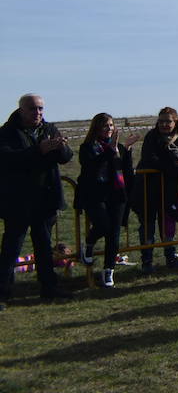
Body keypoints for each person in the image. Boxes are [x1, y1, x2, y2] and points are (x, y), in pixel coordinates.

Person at [0, 94, 74, 306]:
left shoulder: (49, 129)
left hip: (45, 198)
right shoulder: (7, 133)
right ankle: (2, 292)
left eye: (41, 109)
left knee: (44, 246)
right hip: (18, 201)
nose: (38, 113)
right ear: (21, 110)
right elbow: (7, 159)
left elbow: (66, 157)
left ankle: (49, 288)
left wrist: (61, 147)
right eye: (33, 109)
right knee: (12, 247)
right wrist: (38, 150)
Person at [132, 106, 178, 270]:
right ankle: (147, 261)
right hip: (147, 188)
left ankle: (171, 257)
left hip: (170, 189)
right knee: (147, 225)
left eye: (168, 121)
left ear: (175, 121)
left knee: (168, 224)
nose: (164, 125)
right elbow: (150, 159)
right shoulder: (152, 137)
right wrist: (175, 166)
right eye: (161, 121)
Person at [76, 113, 134, 288]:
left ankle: (108, 271)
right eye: (104, 126)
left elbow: (127, 171)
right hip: (95, 194)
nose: (108, 129)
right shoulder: (87, 147)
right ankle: (89, 243)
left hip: (116, 195)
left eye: (110, 125)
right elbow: (91, 168)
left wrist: (128, 150)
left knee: (114, 234)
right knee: (103, 226)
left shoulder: (119, 148)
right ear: (96, 128)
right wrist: (110, 150)